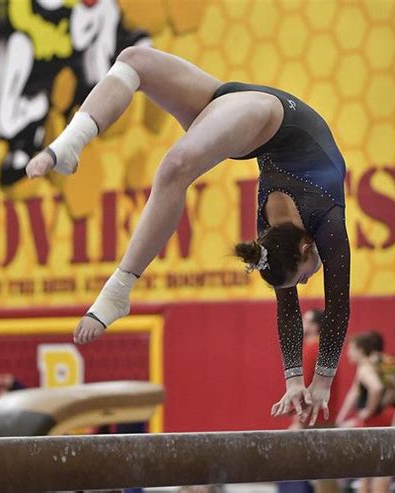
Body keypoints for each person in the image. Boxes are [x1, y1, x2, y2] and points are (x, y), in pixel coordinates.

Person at [26, 47, 351, 425]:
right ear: (306, 247)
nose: (310, 278)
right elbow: (338, 302)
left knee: (136, 61)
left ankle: (65, 149)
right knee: (174, 167)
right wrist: (323, 385)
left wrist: (295, 381)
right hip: (264, 115)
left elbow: (287, 307)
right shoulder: (327, 219)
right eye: (306, 275)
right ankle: (117, 285)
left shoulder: (274, 237)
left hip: (240, 111)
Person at [336, 333, 394, 493]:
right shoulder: (372, 365)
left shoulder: (366, 368)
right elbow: (354, 393)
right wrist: (341, 417)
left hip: (374, 421)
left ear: (360, 350)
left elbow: (377, 388)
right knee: (370, 467)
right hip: (377, 418)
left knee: (375, 466)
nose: (347, 354)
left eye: (350, 349)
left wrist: (369, 410)